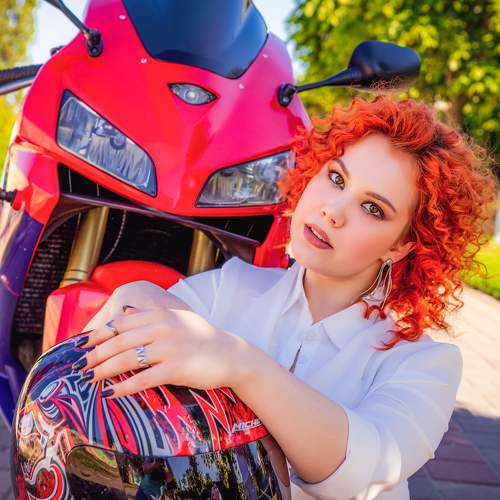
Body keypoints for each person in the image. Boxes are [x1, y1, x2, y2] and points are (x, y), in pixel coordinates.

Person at [73, 95, 498, 499]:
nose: (333, 210)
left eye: (373, 209)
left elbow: (364, 469)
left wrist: (239, 363)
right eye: (336, 178)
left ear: (401, 246)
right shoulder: (230, 286)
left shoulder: (425, 364)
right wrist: (140, 297)